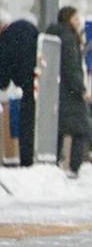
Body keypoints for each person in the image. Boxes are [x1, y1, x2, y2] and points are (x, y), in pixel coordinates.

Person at [46, 7, 92, 176]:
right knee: (82, 129)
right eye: (75, 18)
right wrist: (81, 89)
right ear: (68, 19)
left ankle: (54, 162)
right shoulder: (68, 38)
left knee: (59, 127)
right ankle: (75, 167)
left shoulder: (55, 35)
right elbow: (72, 67)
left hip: (58, 90)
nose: (78, 22)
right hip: (71, 91)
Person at [0, 11, 39, 166]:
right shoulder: (26, 26)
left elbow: (2, 77)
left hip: (25, 86)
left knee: (26, 123)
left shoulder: (5, 40)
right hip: (39, 80)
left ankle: (27, 160)